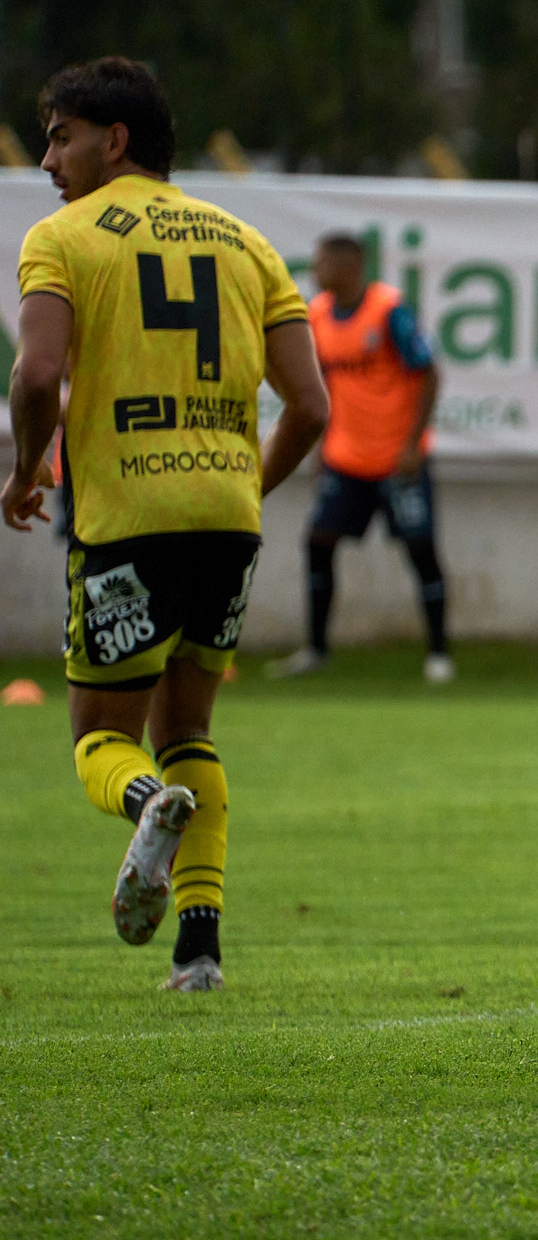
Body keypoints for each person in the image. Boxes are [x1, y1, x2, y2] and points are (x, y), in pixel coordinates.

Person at [1, 57, 329, 991]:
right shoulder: (248, 242)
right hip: (227, 518)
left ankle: (148, 804)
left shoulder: (62, 238)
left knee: (101, 737)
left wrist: (28, 472)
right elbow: (310, 404)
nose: (48, 159)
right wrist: (243, 489)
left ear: (116, 140)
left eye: (61, 136)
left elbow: (33, 377)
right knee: (190, 726)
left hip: (127, 515)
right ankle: (199, 952)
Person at [267, 231, 453, 684]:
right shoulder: (317, 315)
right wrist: (319, 451)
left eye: (322, 262)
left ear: (350, 266)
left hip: (397, 459)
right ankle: (316, 650)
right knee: (319, 542)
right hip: (345, 459)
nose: (315, 270)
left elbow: (428, 374)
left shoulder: (388, 310)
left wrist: (412, 444)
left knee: (420, 549)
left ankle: (439, 654)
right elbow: (321, 391)